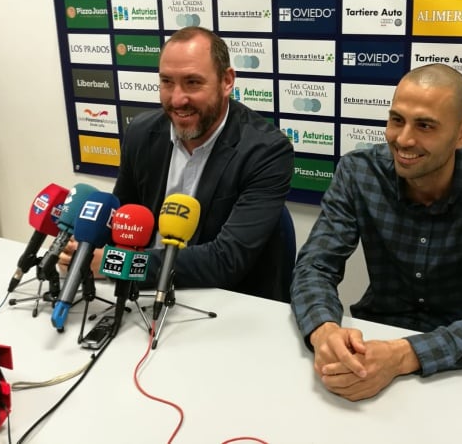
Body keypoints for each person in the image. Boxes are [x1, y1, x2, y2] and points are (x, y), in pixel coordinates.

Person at [290, 63, 462, 401]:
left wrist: (402, 355)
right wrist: (324, 331)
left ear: (461, 133)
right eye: (397, 120)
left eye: (425, 126)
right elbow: (313, 268)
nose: (404, 139)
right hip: (373, 348)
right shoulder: (358, 172)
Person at [61, 26, 294, 301]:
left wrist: (117, 265)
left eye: (193, 82)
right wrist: (83, 250)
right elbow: (120, 219)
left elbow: (225, 261)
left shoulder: (266, 151)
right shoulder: (141, 133)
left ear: (227, 81)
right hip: (142, 296)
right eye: (167, 82)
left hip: (225, 303)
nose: (177, 99)